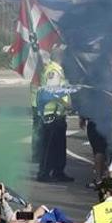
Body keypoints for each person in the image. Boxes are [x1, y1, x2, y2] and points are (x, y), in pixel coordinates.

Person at [36, 43, 75, 182]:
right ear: (61, 57)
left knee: (59, 145)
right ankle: (44, 173)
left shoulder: (58, 70)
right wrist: (67, 104)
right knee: (49, 146)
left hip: (59, 114)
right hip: (51, 115)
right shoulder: (53, 71)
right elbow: (53, 93)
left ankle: (58, 171)